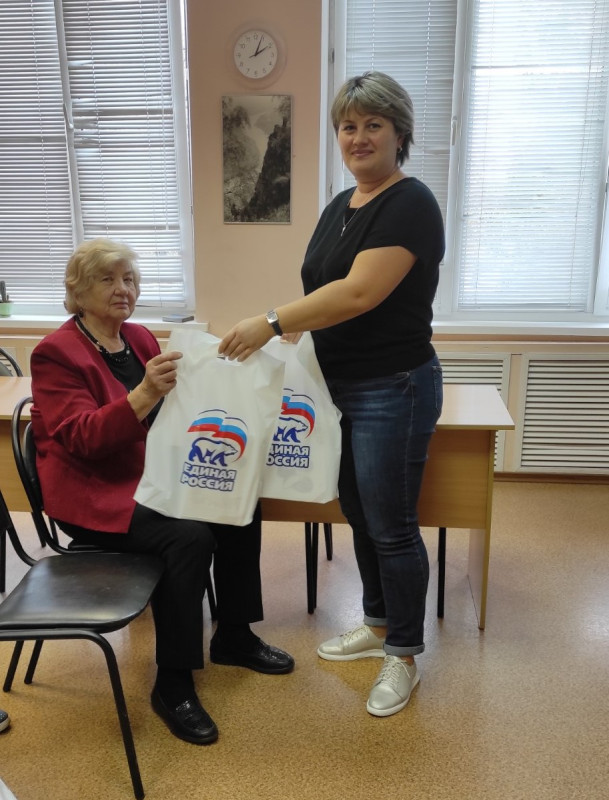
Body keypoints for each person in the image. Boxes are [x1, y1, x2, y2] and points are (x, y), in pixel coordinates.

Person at [219, 71, 444, 717]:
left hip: (392, 387)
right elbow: (325, 291)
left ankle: (403, 655)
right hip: (336, 387)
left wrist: (269, 322)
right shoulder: (341, 204)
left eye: (374, 124)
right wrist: (295, 334)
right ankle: (377, 624)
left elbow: (358, 292)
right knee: (359, 512)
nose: (358, 136)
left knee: (392, 527)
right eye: (348, 125)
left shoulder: (410, 202)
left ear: (399, 133)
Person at [30, 237, 294, 746]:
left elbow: (184, 407)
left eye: (130, 279)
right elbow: (82, 439)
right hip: (95, 494)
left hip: (152, 475)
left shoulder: (140, 337)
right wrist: (146, 392)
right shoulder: (55, 353)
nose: (123, 289)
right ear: (77, 291)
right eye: (108, 279)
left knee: (238, 501)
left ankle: (234, 635)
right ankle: (173, 683)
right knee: (189, 535)